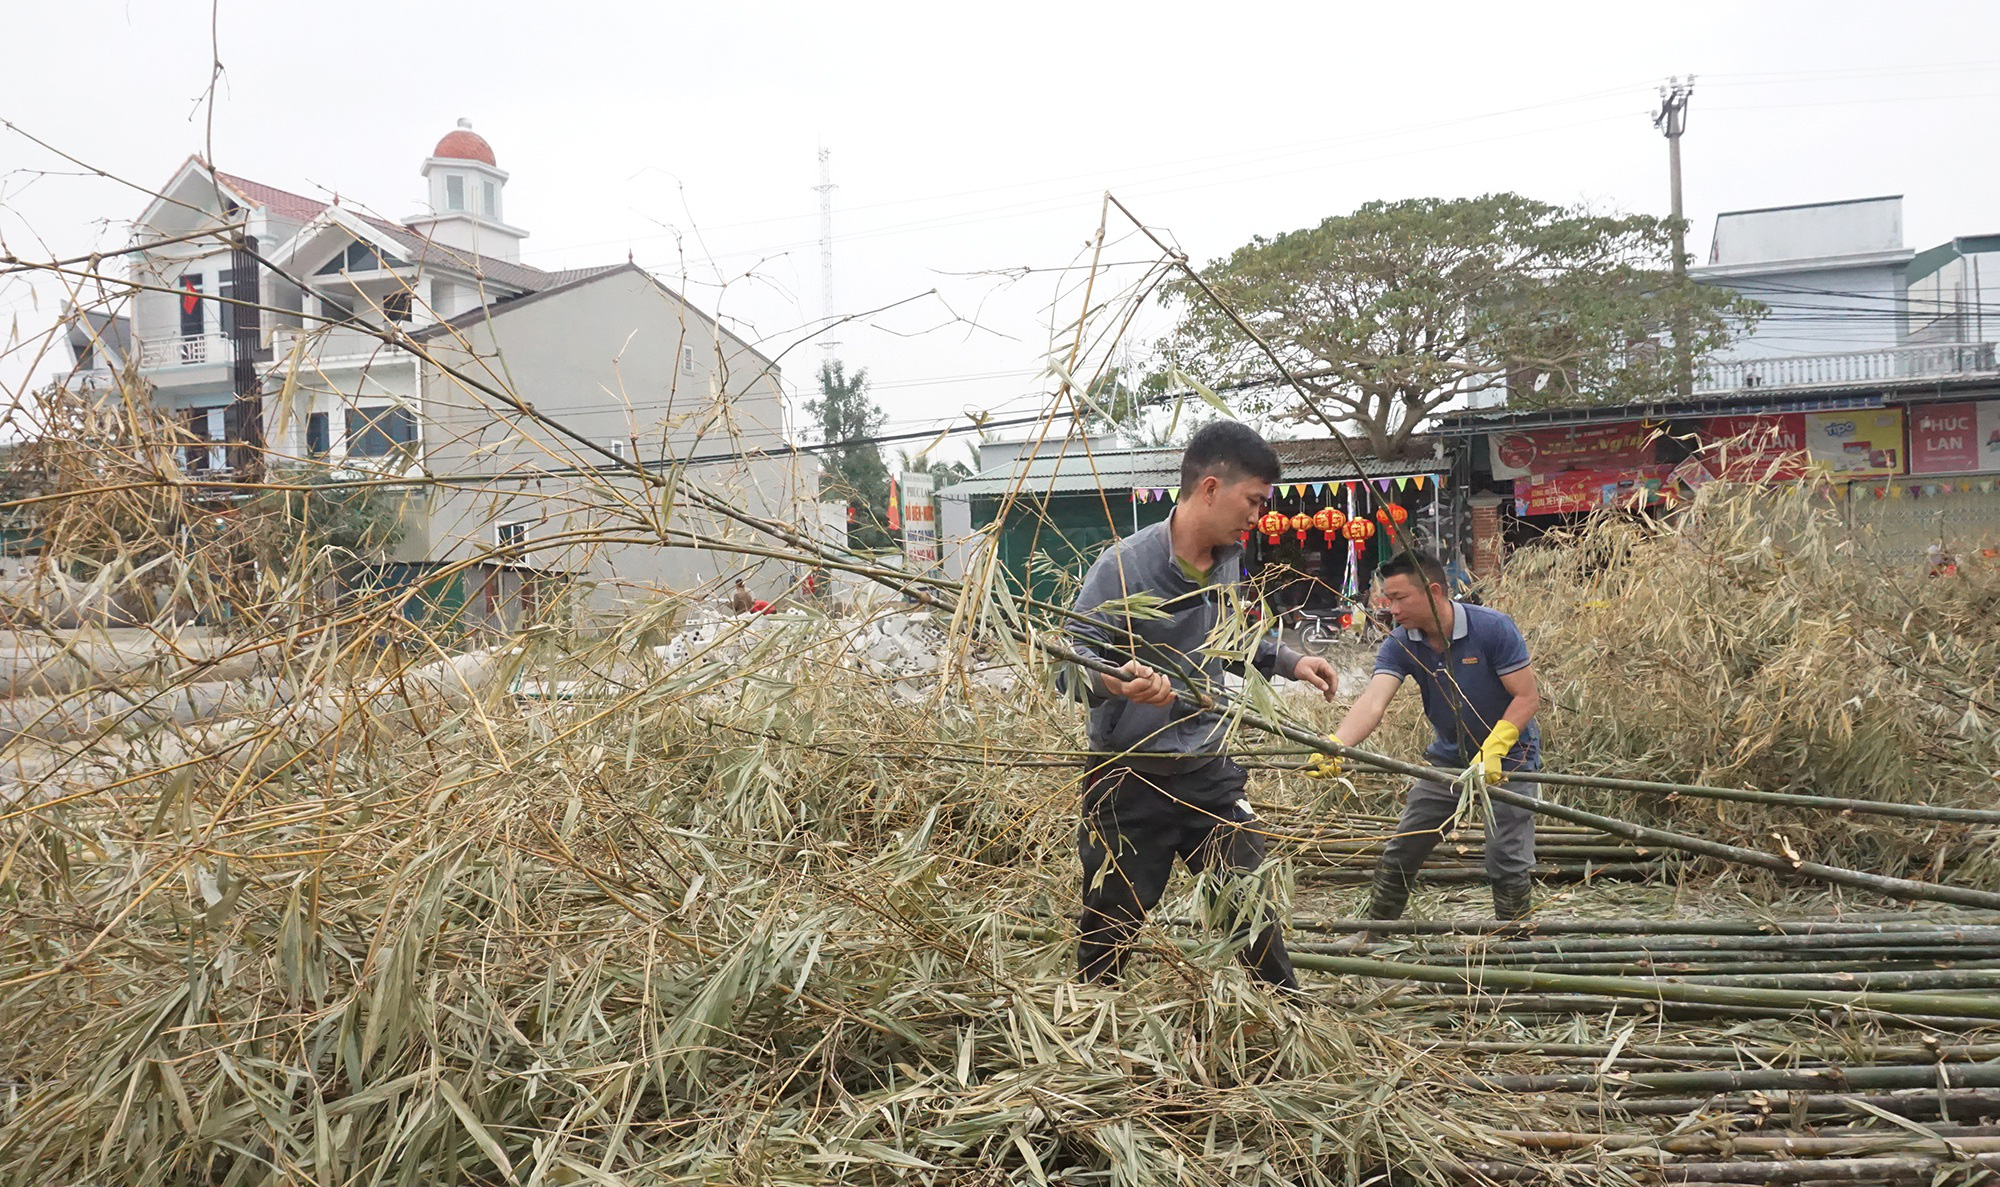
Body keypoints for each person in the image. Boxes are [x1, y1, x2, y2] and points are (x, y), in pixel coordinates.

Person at [1067, 421, 1341, 991]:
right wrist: (1117, 684)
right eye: (1254, 501)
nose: (1257, 516)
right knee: (1111, 922)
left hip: (1206, 768)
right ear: (1211, 489)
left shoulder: (1226, 561)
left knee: (1252, 904)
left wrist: (1288, 660)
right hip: (1129, 775)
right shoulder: (1122, 567)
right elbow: (1069, 661)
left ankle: (1285, 1021)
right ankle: (1093, 1022)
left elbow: (1227, 637)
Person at [1309, 548, 1542, 927]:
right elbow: (1373, 701)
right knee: (1404, 847)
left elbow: (1526, 697)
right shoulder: (1402, 641)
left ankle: (1515, 950)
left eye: (1399, 598)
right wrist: (1337, 744)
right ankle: (1375, 935)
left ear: (1434, 591)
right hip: (1449, 760)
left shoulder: (1492, 628)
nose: (1392, 609)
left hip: (1510, 760)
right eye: (1388, 599)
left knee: (1507, 859)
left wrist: (1496, 747)